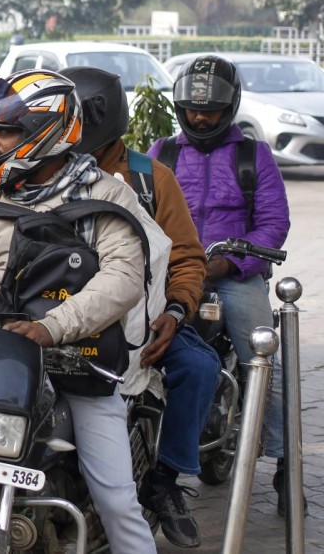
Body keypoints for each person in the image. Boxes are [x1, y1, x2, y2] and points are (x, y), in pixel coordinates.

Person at [0, 69, 157, 554]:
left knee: (118, 502)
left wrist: (49, 327)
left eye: (5, 130)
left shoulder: (105, 196)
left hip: (83, 366)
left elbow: (122, 281)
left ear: (45, 131)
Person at [63, 66, 220, 549]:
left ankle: (167, 479)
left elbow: (189, 256)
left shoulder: (152, 179)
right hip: (66, 322)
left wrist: (174, 314)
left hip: (144, 321)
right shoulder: (42, 170)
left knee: (197, 367)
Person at [148, 55, 296, 516]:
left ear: (229, 108)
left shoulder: (255, 156)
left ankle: (283, 462)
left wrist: (231, 263)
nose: (199, 117)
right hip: (170, 272)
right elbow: (136, 209)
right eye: (192, 108)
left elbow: (274, 222)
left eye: (209, 109)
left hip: (235, 276)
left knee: (263, 358)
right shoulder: (162, 153)